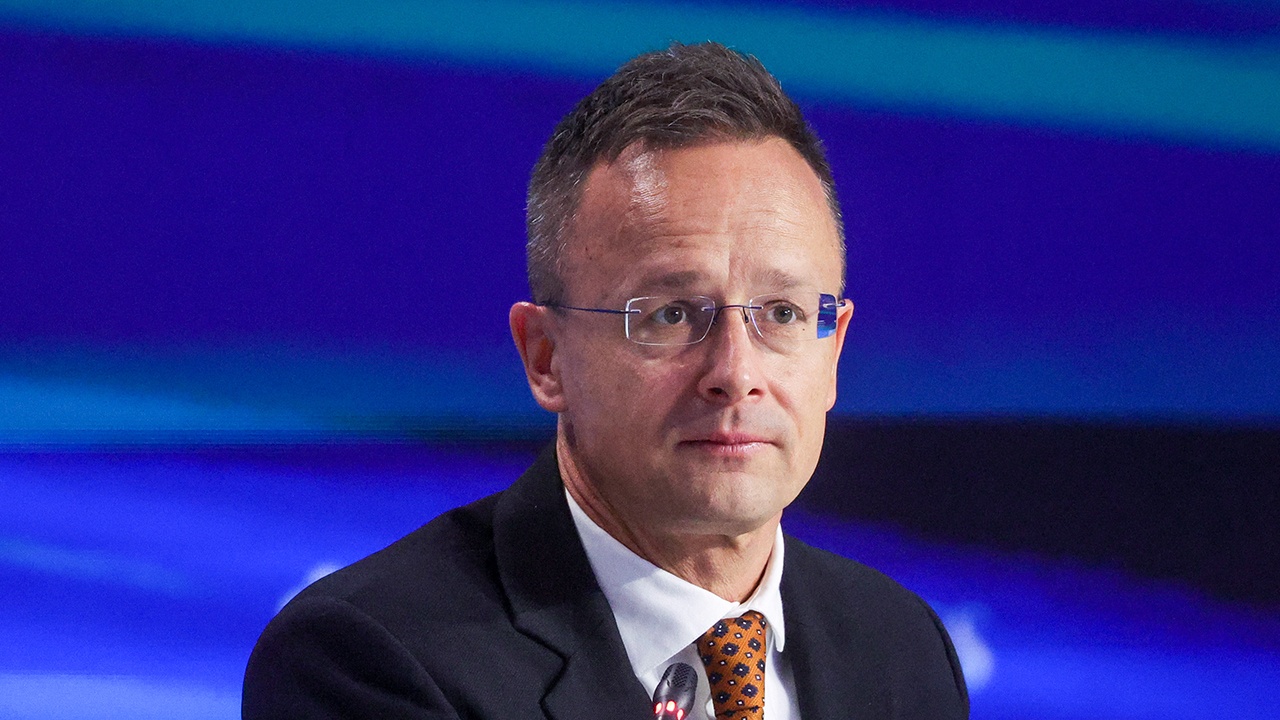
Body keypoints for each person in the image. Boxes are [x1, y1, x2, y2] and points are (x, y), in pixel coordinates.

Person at [243, 42, 968, 719]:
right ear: (546, 357)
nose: (736, 374)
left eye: (782, 313)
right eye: (671, 314)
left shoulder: (901, 650)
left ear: (833, 350)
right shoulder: (366, 659)